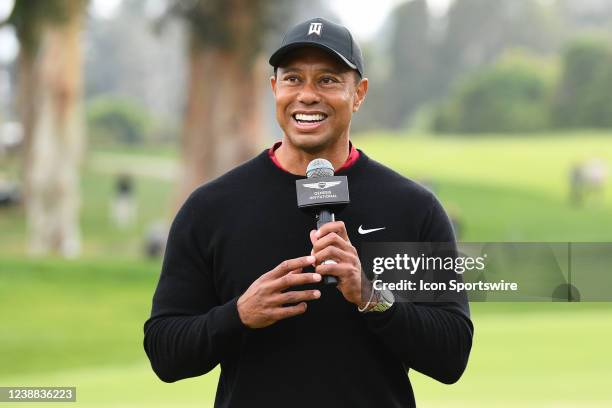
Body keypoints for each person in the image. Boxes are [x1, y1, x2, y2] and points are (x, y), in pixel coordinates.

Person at [144, 17, 473, 408]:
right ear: (274, 88)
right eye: (293, 79)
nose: (307, 95)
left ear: (359, 93)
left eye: (328, 80)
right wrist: (238, 314)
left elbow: (451, 355)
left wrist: (370, 296)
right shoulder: (211, 208)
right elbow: (165, 351)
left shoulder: (411, 207)